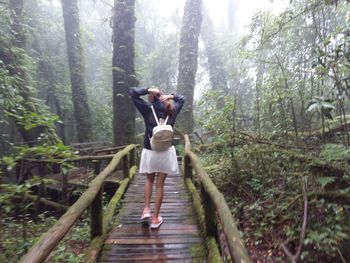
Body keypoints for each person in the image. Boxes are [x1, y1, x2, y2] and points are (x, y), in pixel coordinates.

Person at [129, 87, 185, 229]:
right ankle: (155, 219)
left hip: (150, 150)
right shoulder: (172, 110)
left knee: (149, 179)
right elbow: (182, 98)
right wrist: (170, 96)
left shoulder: (147, 109)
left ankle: (147, 209)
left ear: (151, 98)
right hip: (166, 152)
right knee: (160, 185)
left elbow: (133, 93)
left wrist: (148, 90)